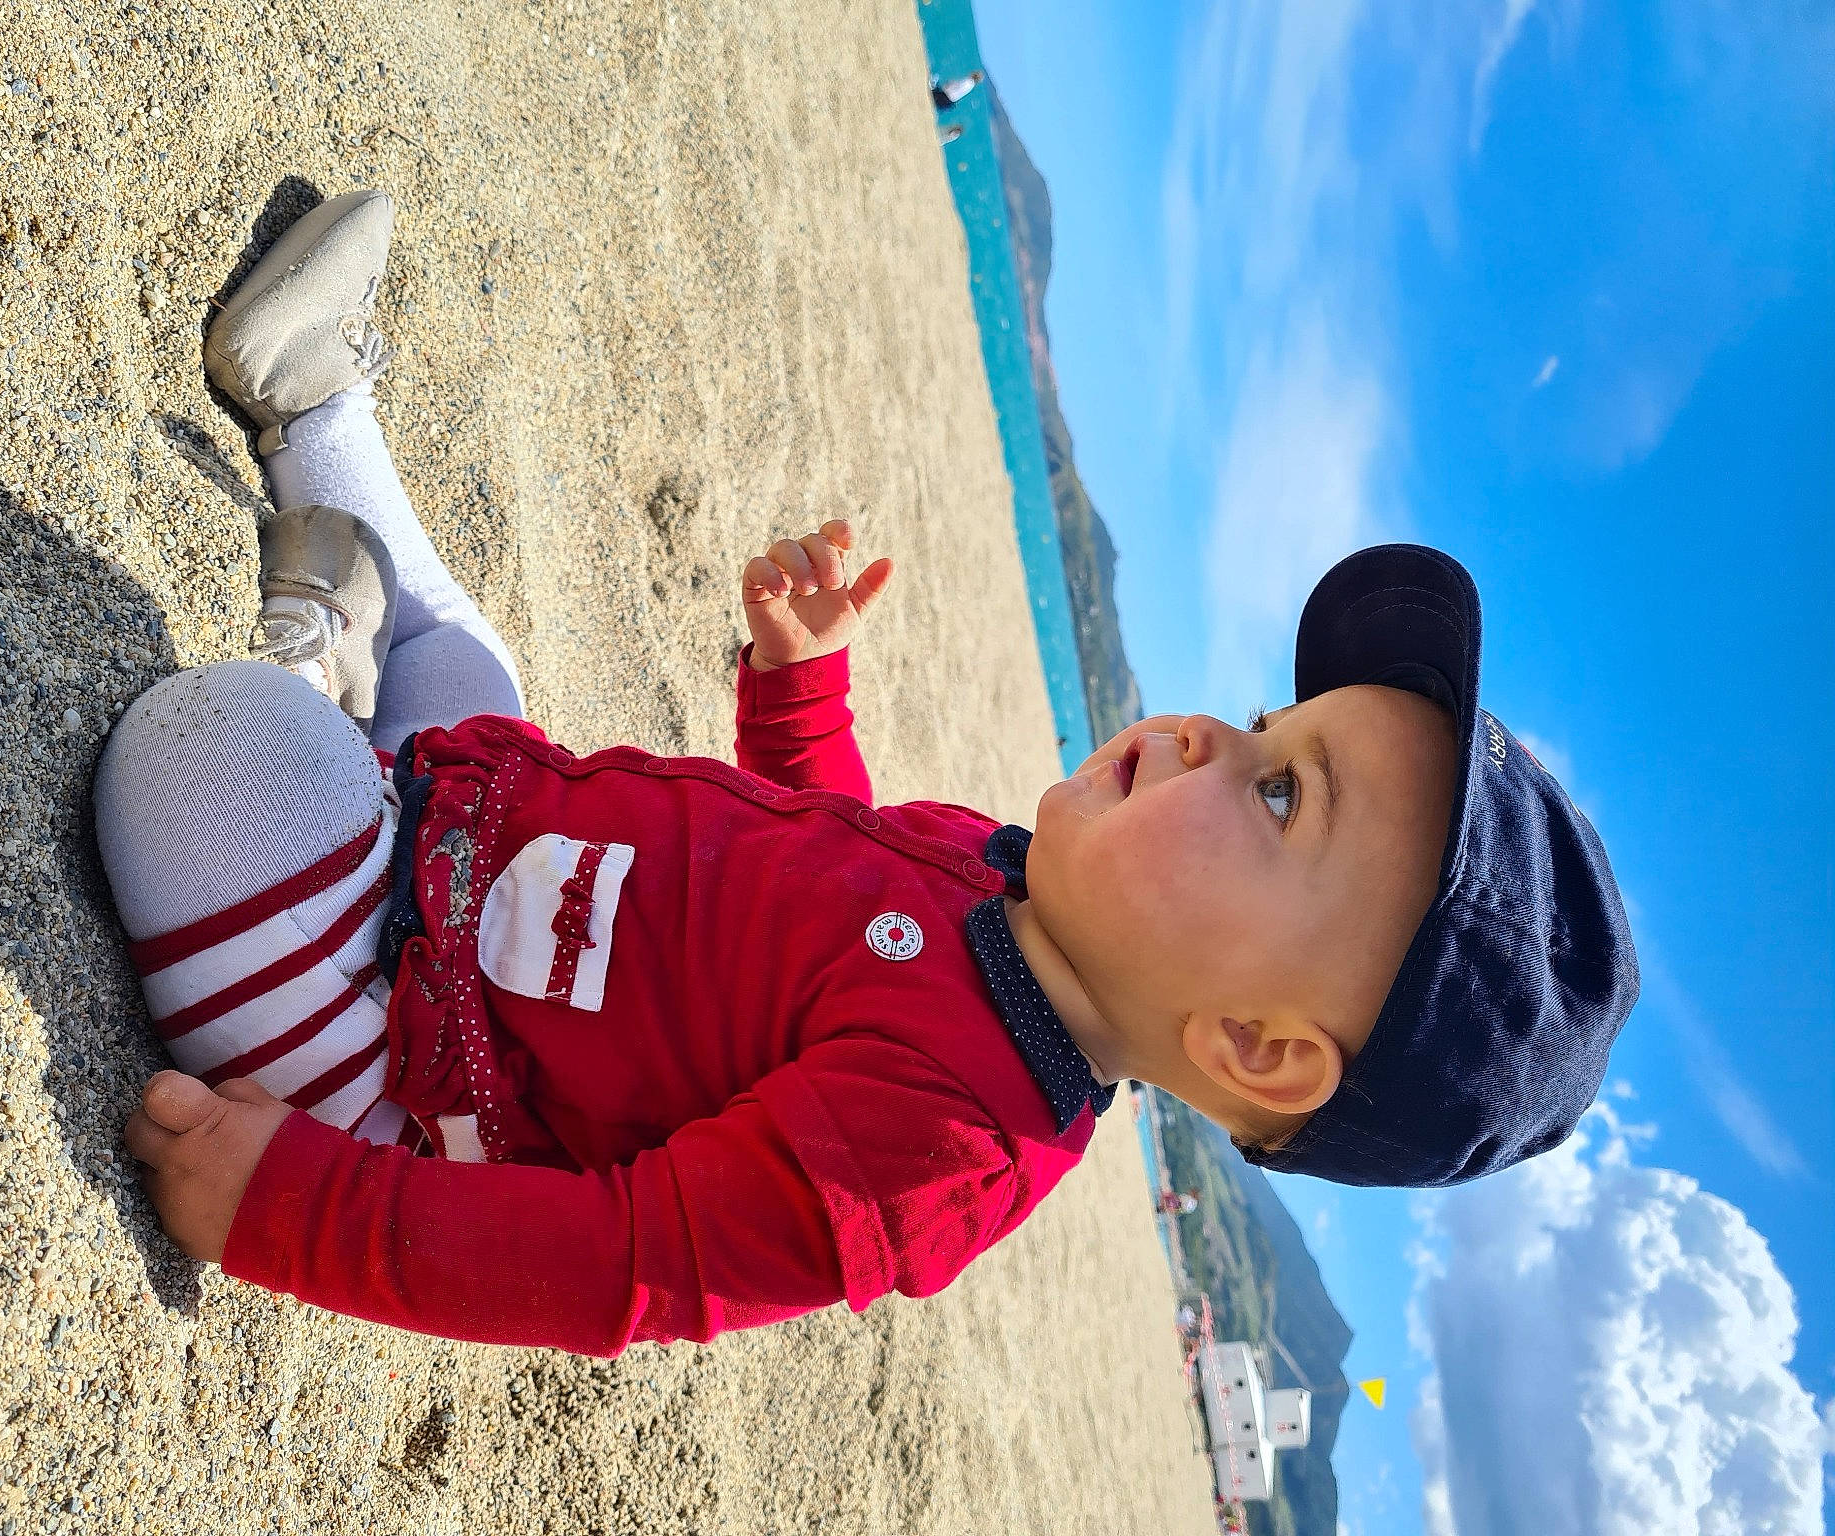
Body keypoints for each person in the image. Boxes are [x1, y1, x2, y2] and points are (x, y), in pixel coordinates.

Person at [105, 190, 1639, 1356]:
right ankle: (317, 415)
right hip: (477, 836)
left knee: (211, 759)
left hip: (399, 1069)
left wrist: (297, 1207)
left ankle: (310, 674)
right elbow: (820, 844)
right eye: (1262, 722)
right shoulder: (1003, 880)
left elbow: (612, 1266)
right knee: (464, 676)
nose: (1203, 736)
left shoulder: (944, 1154)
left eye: (1279, 791)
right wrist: (799, 684)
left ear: (1253, 1041)